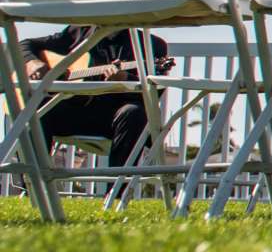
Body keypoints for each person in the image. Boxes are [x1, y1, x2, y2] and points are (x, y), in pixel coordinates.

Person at [14, 25, 168, 169]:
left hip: (113, 117)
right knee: (34, 109)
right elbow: (25, 44)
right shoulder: (79, 32)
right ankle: (33, 185)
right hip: (74, 110)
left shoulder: (151, 44)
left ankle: (117, 191)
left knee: (134, 113)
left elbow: (155, 91)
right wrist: (32, 63)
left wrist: (126, 79)